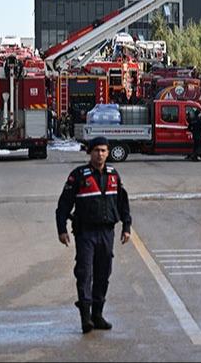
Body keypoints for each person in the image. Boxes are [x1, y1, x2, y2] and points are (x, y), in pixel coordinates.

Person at [56, 136, 132, 334]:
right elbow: (63, 205)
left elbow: (123, 204)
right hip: (86, 233)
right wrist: (61, 229)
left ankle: (98, 314)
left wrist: (126, 226)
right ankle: (85, 318)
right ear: (90, 152)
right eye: (97, 150)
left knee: (103, 274)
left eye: (104, 150)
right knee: (84, 273)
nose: (100, 154)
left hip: (107, 232)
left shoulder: (114, 175)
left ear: (108, 153)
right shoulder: (78, 175)